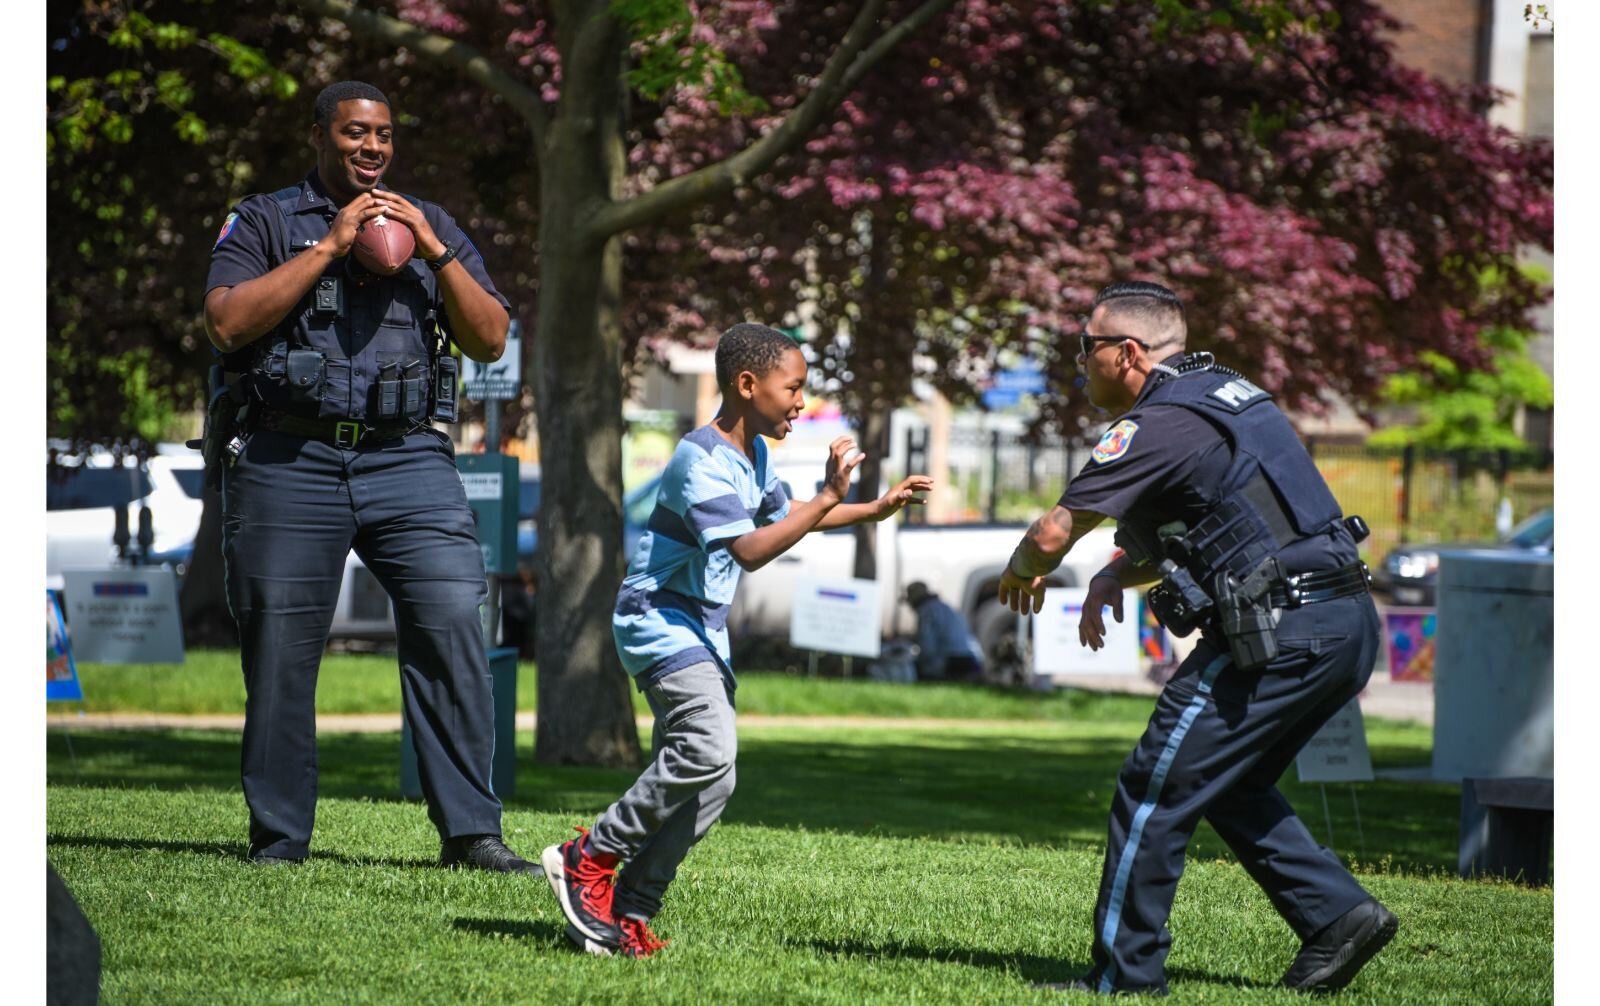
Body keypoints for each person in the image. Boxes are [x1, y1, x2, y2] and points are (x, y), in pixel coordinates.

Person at [998, 282, 1396, 995]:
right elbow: (1228, 528)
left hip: (1281, 628)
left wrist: (1023, 570)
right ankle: (1339, 919)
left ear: (1127, 353)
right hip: (1342, 622)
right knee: (1229, 783)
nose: (1076, 361)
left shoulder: (1158, 423)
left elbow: (1051, 531)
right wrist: (1113, 577)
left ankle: (1125, 979)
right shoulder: (1222, 395)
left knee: (1153, 785)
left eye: (1084, 347)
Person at [202, 81, 537, 873]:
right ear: (318, 134)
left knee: (454, 617)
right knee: (281, 647)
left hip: (406, 458)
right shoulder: (265, 221)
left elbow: (490, 338)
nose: (372, 147)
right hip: (290, 457)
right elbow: (224, 321)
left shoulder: (430, 223)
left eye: (384, 134)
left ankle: (471, 835)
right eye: (355, 132)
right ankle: (280, 841)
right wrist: (328, 244)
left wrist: (435, 247)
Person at [541, 323, 933, 957]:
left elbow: (792, 519)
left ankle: (626, 910)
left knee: (713, 781)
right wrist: (830, 493)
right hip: (661, 620)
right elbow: (752, 550)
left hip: (700, 630)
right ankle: (589, 855)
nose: (802, 403)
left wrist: (873, 507)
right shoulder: (699, 460)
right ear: (748, 385)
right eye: (795, 388)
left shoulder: (753, 457)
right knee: (705, 749)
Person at [903, 581, 984, 681]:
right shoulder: (945, 607)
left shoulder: (926, 611)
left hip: (953, 662)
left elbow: (927, 645)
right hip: (972, 660)